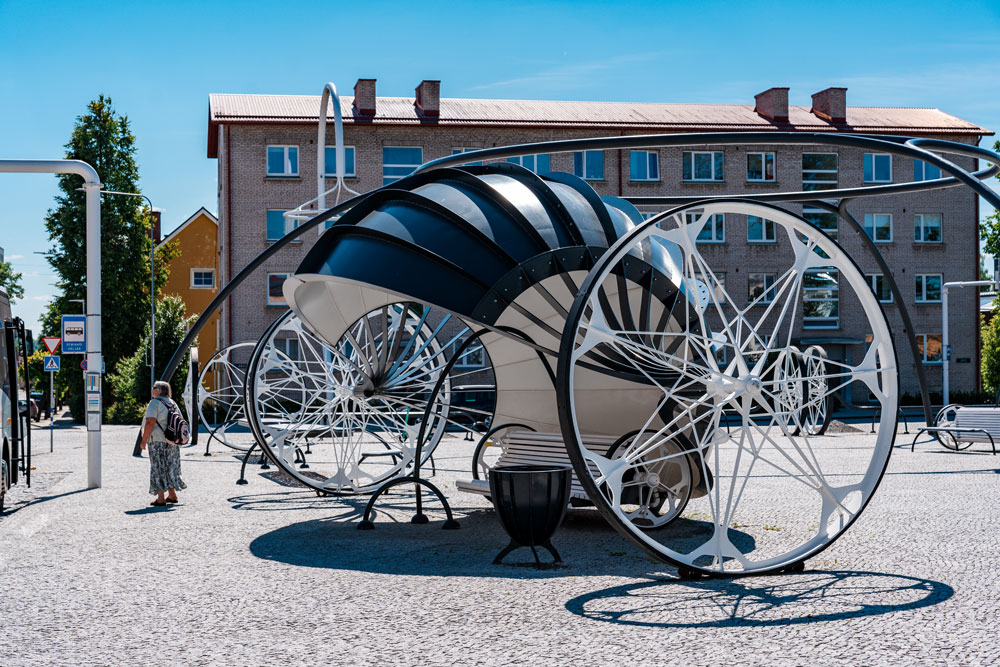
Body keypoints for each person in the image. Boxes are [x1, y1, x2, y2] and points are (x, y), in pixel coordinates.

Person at [139, 381, 187, 506]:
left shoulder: (154, 403)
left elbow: (150, 421)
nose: (152, 388)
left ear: (160, 390)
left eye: (154, 387)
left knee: (158, 467)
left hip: (157, 441)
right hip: (172, 440)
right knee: (170, 466)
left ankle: (160, 498)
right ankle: (172, 494)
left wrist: (143, 440)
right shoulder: (172, 403)